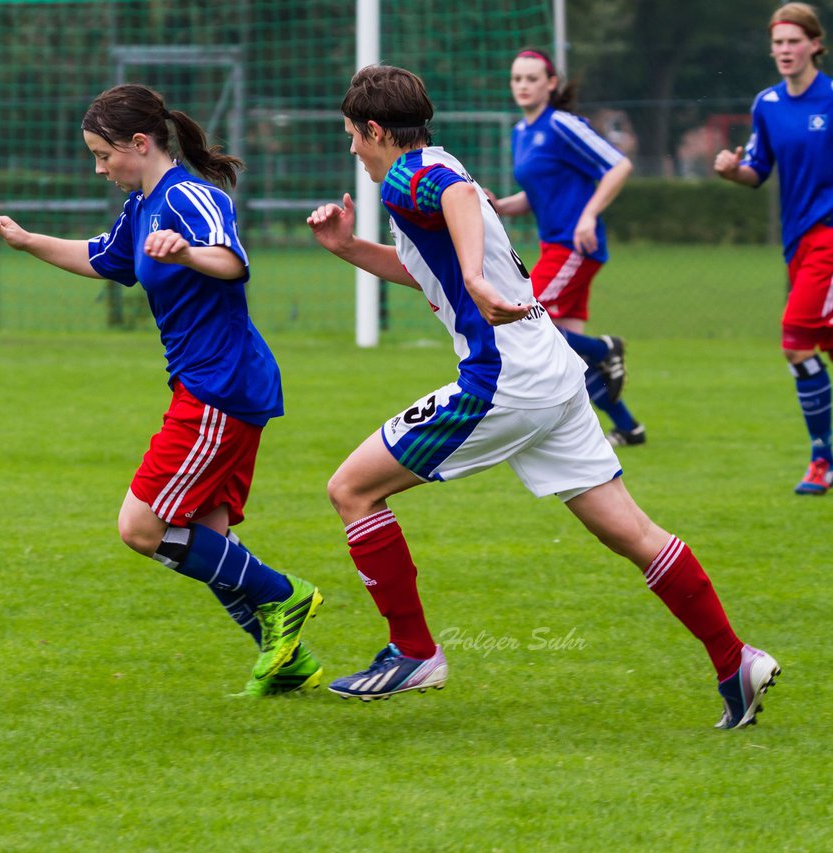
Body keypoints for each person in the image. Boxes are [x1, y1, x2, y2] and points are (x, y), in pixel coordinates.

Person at [306, 64, 778, 729]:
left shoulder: (415, 176)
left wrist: (472, 274)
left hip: (503, 380)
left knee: (351, 489)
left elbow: (461, 200)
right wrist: (348, 247)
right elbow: (430, 270)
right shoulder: (430, 164)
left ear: (376, 130)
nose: (352, 148)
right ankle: (736, 661)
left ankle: (414, 651)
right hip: (550, 370)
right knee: (632, 532)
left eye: (353, 135)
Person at [0, 84, 322, 696]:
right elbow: (103, 258)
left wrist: (187, 251)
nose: (100, 168)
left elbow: (232, 260)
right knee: (204, 535)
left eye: (104, 155)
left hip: (220, 386)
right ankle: (285, 657)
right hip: (214, 382)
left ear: (140, 143)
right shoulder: (142, 208)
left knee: (141, 526)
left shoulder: (188, 195)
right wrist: (26, 240)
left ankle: (283, 596)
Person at [488, 49, 644, 447]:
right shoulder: (521, 132)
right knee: (564, 354)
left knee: (526, 320)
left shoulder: (561, 124)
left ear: (551, 83)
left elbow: (618, 165)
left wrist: (589, 215)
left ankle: (605, 348)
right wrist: (504, 205)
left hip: (574, 245)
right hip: (555, 246)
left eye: (531, 78)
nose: (522, 85)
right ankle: (627, 427)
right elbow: (540, 191)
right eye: (516, 79)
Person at [715, 3, 833, 495]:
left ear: (814, 45)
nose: (784, 50)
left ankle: (820, 461)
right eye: (778, 43)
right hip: (797, 243)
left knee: (794, 340)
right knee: (820, 345)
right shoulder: (767, 104)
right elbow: (757, 171)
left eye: (793, 41)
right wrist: (730, 170)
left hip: (829, 238)